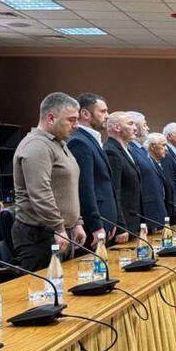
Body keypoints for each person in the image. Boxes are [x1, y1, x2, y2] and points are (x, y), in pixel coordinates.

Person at [12, 92, 86, 270]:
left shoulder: (59, 143)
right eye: (71, 120)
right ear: (51, 118)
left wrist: (76, 223)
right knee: (46, 286)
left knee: (65, 283)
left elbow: (67, 188)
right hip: (40, 234)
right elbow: (40, 192)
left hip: (59, 231)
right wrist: (58, 227)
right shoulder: (37, 145)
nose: (76, 125)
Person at [67, 92, 120, 247]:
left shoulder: (92, 139)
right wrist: (95, 225)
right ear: (85, 114)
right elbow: (84, 188)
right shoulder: (79, 142)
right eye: (102, 111)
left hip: (105, 221)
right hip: (94, 227)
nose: (107, 116)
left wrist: (112, 219)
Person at [104, 111, 140, 239]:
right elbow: (114, 192)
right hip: (124, 226)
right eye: (130, 124)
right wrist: (120, 227)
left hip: (134, 221)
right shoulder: (111, 151)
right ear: (117, 127)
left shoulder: (127, 150)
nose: (135, 128)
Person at [141, 132, 176, 227]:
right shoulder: (147, 163)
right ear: (152, 146)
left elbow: (169, 187)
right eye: (163, 145)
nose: (166, 149)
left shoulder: (159, 162)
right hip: (153, 215)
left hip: (167, 210)